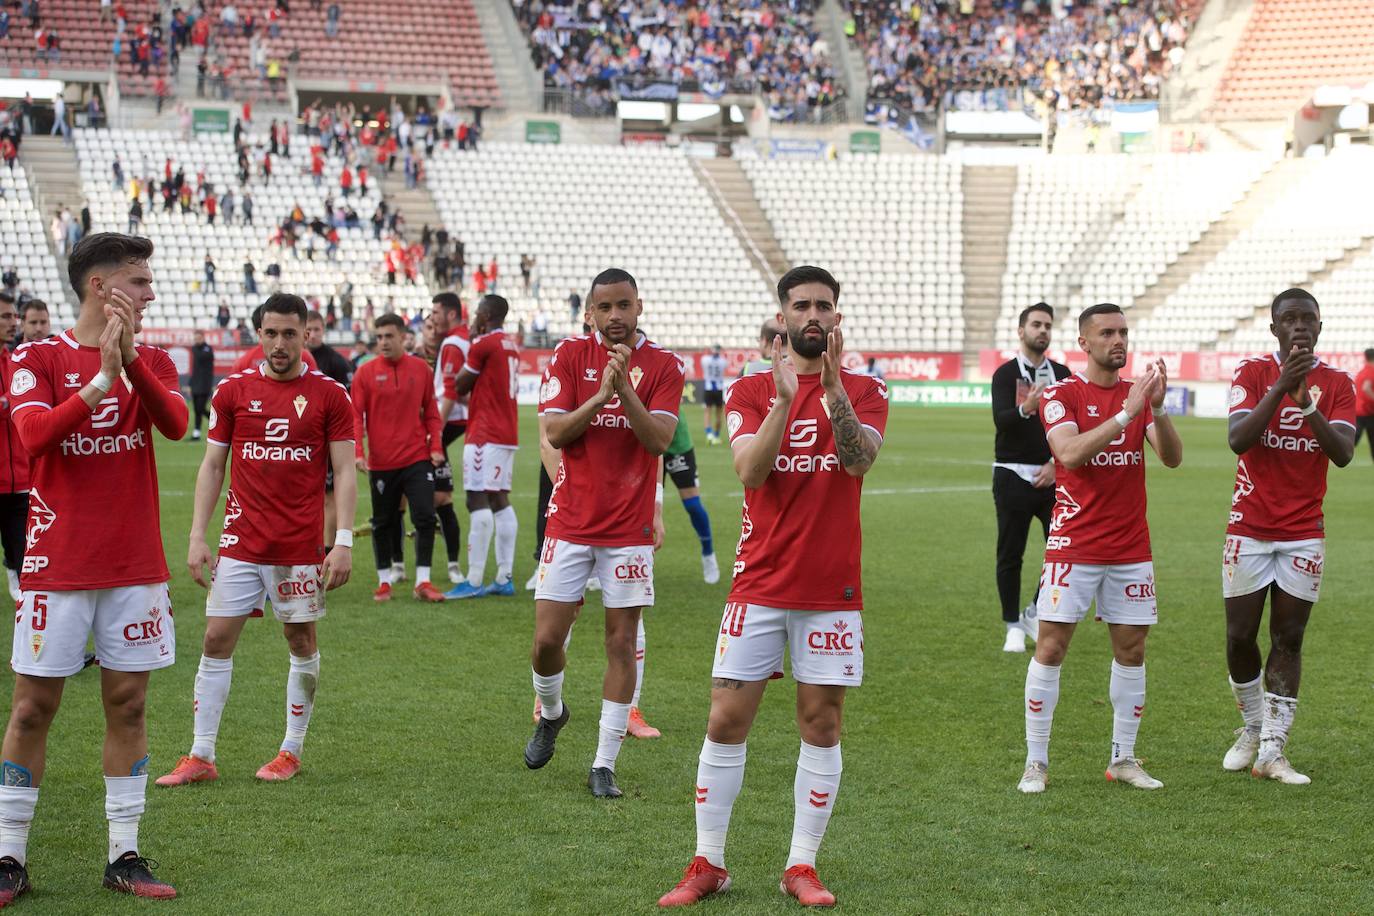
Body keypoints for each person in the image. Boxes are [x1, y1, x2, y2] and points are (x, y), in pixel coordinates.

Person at [658, 266, 888, 908]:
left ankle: (801, 866)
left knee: (822, 723)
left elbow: (859, 460)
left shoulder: (867, 390)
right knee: (726, 720)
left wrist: (834, 390)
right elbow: (750, 472)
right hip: (757, 585)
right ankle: (709, 862)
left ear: (837, 317)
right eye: (801, 305)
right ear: (781, 317)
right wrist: (787, 401)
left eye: (824, 305)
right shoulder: (752, 391)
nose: (812, 315)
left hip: (832, 591)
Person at [0, 232, 187, 904]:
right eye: (139, 281)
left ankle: (124, 855)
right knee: (31, 708)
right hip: (57, 564)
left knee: (128, 703)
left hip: (135, 566)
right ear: (100, 287)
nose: (150, 292)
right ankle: (8, 858)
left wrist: (131, 364)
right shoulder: (37, 356)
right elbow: (33, 437)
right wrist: (103, 378)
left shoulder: (155, 358)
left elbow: (173, 423)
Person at [156, 293, 355, 789]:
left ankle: (291, 749)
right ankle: (201, 754)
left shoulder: (331, 395)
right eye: (271, 333)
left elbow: (346, 471)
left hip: (298, 549)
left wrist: (344, 540)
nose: (280, 343)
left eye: (290, 333)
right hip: (240, 542)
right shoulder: (233, 391)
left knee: (300, 640)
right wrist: (197, 536)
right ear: (259, 334)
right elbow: (212, 466)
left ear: (307, 334)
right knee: (215, 640)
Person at [526, 268, 683, 799]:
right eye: (605, 308)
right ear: (590, 312)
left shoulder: (664, 365)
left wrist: (626, 393)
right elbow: (554, 432)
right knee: (546, 642)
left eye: (624, 306)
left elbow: (659, 439)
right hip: (569, 520)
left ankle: (603, 763)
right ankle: (552, 712)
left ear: (640, 306)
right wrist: (599, 397)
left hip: (629, 531)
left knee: (621, 644)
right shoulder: (569, 355)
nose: (615, 316)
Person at [1017, 302, 1183, 796]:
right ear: (1084, 343)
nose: (1119, 341)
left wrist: (1157, 408)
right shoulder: (1062, 395)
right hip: (1074, 545)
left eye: (1124, 333)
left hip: (1131, 546)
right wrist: (1127, 412)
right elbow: (1068, 453)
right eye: (1108, 333)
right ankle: (1036, 762)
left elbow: (1172, 458)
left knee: (1131, 650)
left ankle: (1124, 759)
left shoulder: (1140, 398)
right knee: (1050, 647)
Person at [1219, 289, 1355, 784]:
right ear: (1274, 328)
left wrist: (1308, 405)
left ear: (1319, 327)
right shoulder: (1251, 373)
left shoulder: (1339, 383)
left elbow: (1342, 453)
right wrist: (1282, 388)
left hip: (1303, 532)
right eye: (1290, 319)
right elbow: (1239, 439)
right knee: (1238, 636)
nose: (1300, 326)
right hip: (1249, 527)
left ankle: (1274, 748)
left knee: (1289, 637)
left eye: (1309, 319)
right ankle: (1251, 726)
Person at [990, 303, 1069, 653]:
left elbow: (1074, 425)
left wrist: (1056, 463)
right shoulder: (1006, 374)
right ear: (1021, 332)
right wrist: (1026, 408)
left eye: (1047, 326)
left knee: (1062, 551)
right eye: (1036, 325)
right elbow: (1001, 420)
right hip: (1011, 474)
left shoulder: (1063, 374)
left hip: (1053, 476)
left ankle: (1034, 611)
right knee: (1011, 553)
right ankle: (1011, 625)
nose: (1042, 331)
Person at [352, 313, 446, 602]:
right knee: (383, 521)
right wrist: (358, 451)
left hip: (417, 457)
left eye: (389, 336)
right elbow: (356, 416)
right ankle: (384, 583)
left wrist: (436, 447)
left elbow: (431, 411)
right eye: (379, 337)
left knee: (425, 516)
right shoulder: (364, 373)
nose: (383, 342)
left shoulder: (420, 370)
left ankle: (423, 581)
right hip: (381, 462)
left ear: (403, 336)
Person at [445, 294, 520, 598]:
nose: (474, 317)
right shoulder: (511, 344)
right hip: (506, 433)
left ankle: (474, 580)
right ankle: (504, 576)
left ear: (487, 315)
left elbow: (459, 384)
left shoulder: (483, 343)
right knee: (499, 498)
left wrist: (472, 343)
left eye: (477, 312)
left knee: (476, 499)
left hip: (484, 433)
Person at [429, 293, 469, 585]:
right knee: (431, 495)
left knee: (441, 496)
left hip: (447, 420)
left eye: (436, 312)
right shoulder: (462, 340)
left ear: (451, 314)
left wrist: (434, 431)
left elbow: (452, 391)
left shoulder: (454, 343)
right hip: (455, 419)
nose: (432, 317)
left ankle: (453, 564)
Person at [305, 309, 353, 549]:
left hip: (327, 438)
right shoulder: (293, 360)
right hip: (299, 439)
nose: (312, 335)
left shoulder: (335, 361)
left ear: (324, 330)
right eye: (309, 330)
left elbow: (347, 401)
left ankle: (326, 549)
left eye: (317, 330)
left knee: (329, 496)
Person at [664, 414, 718, 585]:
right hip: (643, 438)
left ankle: (708, 553)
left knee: (693, 505)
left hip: (677, 443)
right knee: (639, 506)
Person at [0, 293, 29, 602]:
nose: (13, 323)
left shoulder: (17, 361)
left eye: (13, 317)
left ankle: (35, 649)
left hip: (20, 484)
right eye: (5, 317)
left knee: (28, 571)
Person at [188, 329, 215, 440]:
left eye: (198, 338)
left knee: (200, 408)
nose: (196, 340)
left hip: (204, 384)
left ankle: (216, 421)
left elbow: (201, 356)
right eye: (195, 338)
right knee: (196, 409)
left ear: (203, 338)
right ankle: (196, 433)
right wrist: (190, 384)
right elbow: (195, 368)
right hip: (195, 383)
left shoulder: (207, 349)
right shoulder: (196, 349)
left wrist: (195, 348)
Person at [700, 344, 727, 444]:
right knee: (719, 414)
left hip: (708, 387)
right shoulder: (723, 361)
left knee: (707, 411)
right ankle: (716, 435)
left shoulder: (705, 360)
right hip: (719, 389)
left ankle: (709, 434)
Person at [1354, 348, 1374, 463]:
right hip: (1368, 411)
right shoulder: (1372, 371)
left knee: (1353, 438)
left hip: (1358, 410)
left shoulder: (1362, 372)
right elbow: (1366, 387)